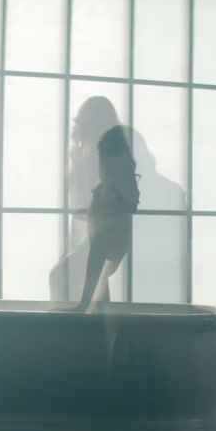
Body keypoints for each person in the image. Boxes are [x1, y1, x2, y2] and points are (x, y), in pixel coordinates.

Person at [50, 96, 122, 302]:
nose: (81, 128)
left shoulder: (106, 158)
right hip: (85, 230)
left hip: (105, 232)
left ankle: (66, 320)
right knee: (94, 288)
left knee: (60, 276)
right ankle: (93, 320)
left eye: (87, 122)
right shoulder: (80, 156)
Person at [66, 125, 140, 313]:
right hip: (104, 231)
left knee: (96, 269)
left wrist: (108, 207)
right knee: (99, 278)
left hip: (110, 234)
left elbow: (131, 204)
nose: (103, 167)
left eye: (105, 162)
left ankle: (85, 307)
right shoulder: (109, 185)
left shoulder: (120, 184)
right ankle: (91, 309)